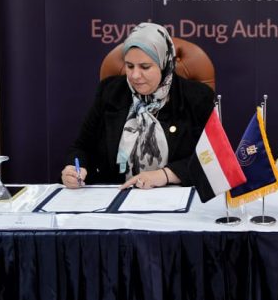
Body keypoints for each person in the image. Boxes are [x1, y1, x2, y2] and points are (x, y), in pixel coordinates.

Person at [62, 22, 215, 198]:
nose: (135, 75)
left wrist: (165, 175)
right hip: (116, 195)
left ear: (164, 64)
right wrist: (75, 168)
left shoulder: (197, 97)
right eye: (129, 66)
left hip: (175, 196)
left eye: (145, 67)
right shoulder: (110, 91)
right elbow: (82, 147)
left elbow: (211, 157)